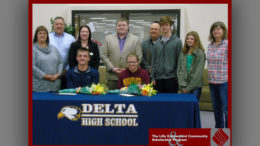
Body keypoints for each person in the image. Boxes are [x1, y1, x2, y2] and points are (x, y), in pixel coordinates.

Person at [101, 17, 142, 90]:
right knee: (113, 99)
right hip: (112, 76)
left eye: (123, 25)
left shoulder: (136, 39)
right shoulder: (108, 38)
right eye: (119, 25)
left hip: (130, 77)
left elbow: (139, 57)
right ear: (116, 27)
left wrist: (128, 68)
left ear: (128, 26)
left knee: (130, 99)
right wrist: (112, 68)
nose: (121, 27)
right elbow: (103, 55)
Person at [151, 16, 182, 93]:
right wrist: (153, 78)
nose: (164, 27)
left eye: (166, 25)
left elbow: (180, 61)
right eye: (162, 25)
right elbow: (153, 61)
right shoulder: (157, 42)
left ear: (170, 25)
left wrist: (177, 77)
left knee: (172, 103)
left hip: (172, 78)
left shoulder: (177, 42)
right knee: (158, 103)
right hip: (158, 78)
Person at [207, 21, 228, 128]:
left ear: (223, 31)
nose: (216, 31)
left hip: (224, 82)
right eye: (214, 29)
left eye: (218, 29)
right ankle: (219, 130)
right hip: (212, 82)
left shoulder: (227, 44)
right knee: (216, 109)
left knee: (226, 109)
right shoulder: (210, 45)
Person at [33, 26, 63, 92]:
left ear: (47, 36)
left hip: (55, 85)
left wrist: (58, 74)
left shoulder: (53, 48)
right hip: (39, 87)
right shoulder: (32, 49)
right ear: (36, 36)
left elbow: (60, 62)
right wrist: (47, 76)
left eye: (44, 33)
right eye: (40, 33)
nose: (42, 35)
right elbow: (32, 67)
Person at [177, 31, 206, 100]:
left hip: (195, 86)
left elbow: (198, 74)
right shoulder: (183, 52)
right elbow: (179, 69)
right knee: (185, 106)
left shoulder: (200, 53)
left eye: (192, 39)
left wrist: (188, 88)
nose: (189, 40)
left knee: (193, 107)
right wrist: (181, 85)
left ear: (196, 40)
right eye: (188, 38)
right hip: (183, 85)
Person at [49, 16, 75, 89]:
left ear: (64, 26)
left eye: (61, 24)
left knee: (66, 96)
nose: (59, 26)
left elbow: (74, 56)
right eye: (57, 24)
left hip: (67, 73)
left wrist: (66, 69)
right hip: (51, 73)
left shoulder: (71, 38)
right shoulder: (47, 38)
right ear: (53, 26)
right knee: (52, 96)